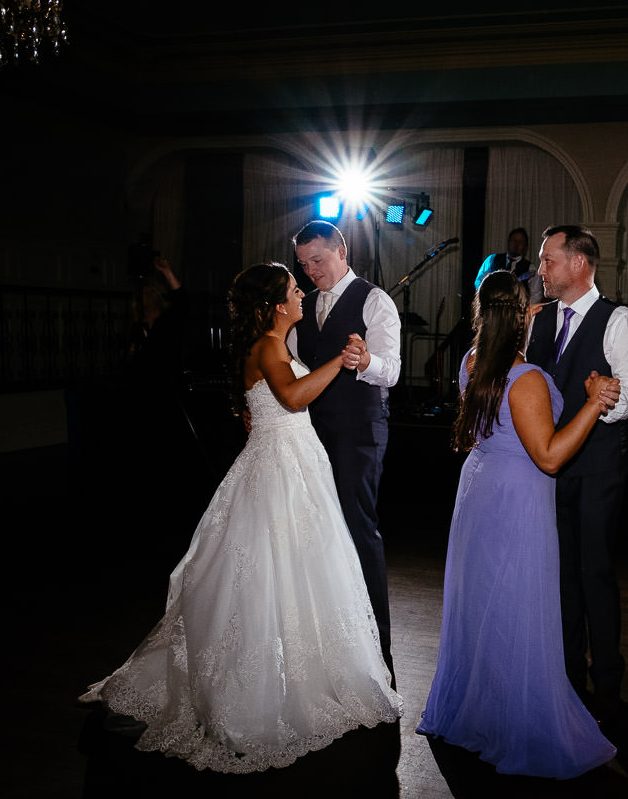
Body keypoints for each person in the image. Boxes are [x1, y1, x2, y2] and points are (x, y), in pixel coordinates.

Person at [80, 263, 403, 773]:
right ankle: (260, 686)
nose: (302, 294)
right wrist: (341, 363)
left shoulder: (277, 345)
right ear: (277, 305)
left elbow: (266, 404)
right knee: (269, 569)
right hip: (278, 469)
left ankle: (309, 667)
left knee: (302, 567)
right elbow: (293, 398)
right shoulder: (271, 347)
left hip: (295, 461)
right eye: (295, 290)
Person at [417, 271, 619, 778]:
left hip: (480, 486)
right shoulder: (524, 379)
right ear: (521, 314)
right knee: (517, 603)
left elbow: (480, 430)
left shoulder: (471, 364)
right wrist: (593, 404)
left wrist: (514, 319)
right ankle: (516, 720)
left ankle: (479, 707)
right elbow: (549, 457)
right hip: (517, 496)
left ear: (480, 312)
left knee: (485, 604)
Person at [526, 224, 628, 724]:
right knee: (557, 575)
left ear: (578, 263)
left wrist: (608, 399)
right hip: (543, 467)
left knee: (593, 571)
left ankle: (608, 683)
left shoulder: (618, 320)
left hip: (596, 466)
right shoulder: (538, 320)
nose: (540, 270)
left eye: (548, 260)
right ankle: (567, 673)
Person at [289, 220, 401, 675]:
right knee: (318, 535)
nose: (311, 272)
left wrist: (366, 360)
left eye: (317, 260)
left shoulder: (374, 300)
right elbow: (293, 366)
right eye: (303, 265)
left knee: (358, 531)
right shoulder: (302, 306)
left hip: (358, 432)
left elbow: (391, 369)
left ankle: (378, 651)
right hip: (310, 435)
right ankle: (328, 644)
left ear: (342, 250)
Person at [474, 227, 543, 305]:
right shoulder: (492, 259)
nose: (516, 244)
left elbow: (536, 294)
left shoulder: (531, 268)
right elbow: (479, 281)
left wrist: (525, 310)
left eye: (520, 242)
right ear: (508, 242)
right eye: (514, 240)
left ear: (525, 246)